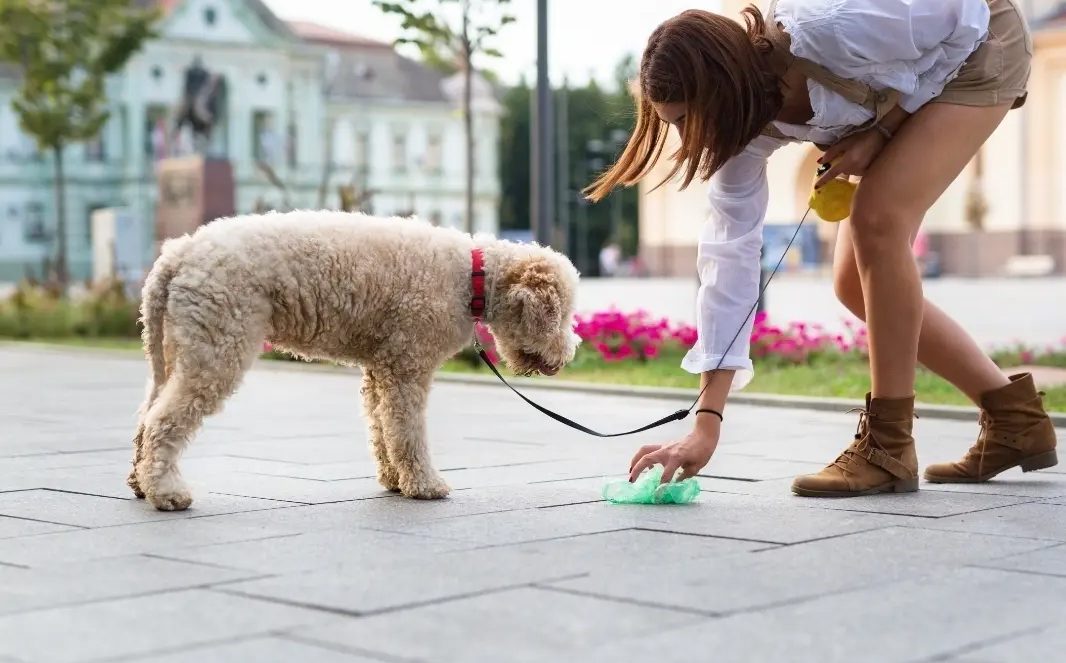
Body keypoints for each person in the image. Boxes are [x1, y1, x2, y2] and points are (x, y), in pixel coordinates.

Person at [585, 0, 1057, 497]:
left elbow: (963, 18)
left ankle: (888, 448)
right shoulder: (743, 131)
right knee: (853, 283)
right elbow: (728, 262)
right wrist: (706, 425)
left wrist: (883, 129)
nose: (687, 138)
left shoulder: (833, 28)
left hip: (978, 43)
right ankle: (1015, 422)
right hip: (913, 81)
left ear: (723, 89)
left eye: (687, 119)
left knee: (877, 218)